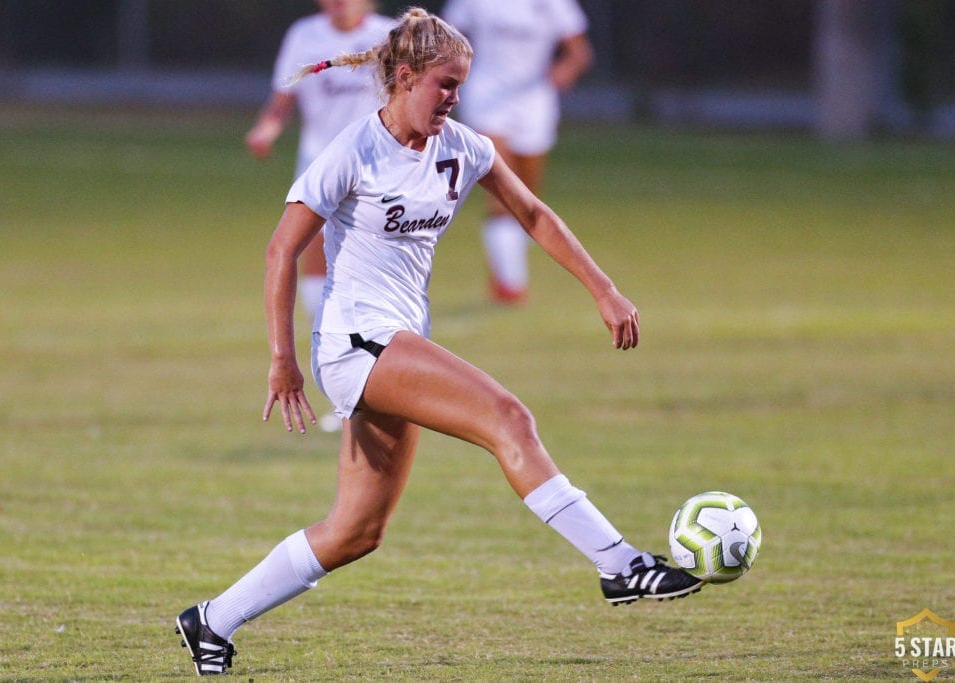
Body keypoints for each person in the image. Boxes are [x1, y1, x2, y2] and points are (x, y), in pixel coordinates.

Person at [176, 8, 701, 676]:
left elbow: (534, 213)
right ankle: (620, 563)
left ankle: (211, 620)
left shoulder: (465, 147)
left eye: (460, 86)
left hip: (394, 342)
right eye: (443, 84)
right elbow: (282, 250)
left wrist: (603, 288)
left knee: (356, 532)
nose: (454, 98)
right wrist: (283, 361)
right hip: (355, 341)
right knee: (507, 416)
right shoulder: (354, 150)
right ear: (403, 77)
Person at [245, 0, 397, 318]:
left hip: (378, 160)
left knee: (376, 247)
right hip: (320, 157)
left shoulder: (390, 34)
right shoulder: (304, 35)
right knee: (315, 244)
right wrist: (266, 131)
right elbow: (281, 102)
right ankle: (324, 328)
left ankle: (381, 322)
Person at [441, 0, 594, 304]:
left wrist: (563, 72)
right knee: (502, 187)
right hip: (487, 96)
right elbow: (445, 39)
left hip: (534, 99)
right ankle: (511, 284)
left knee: (527, 196)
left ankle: (506, 265)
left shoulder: (553, 4)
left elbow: (580, 52)